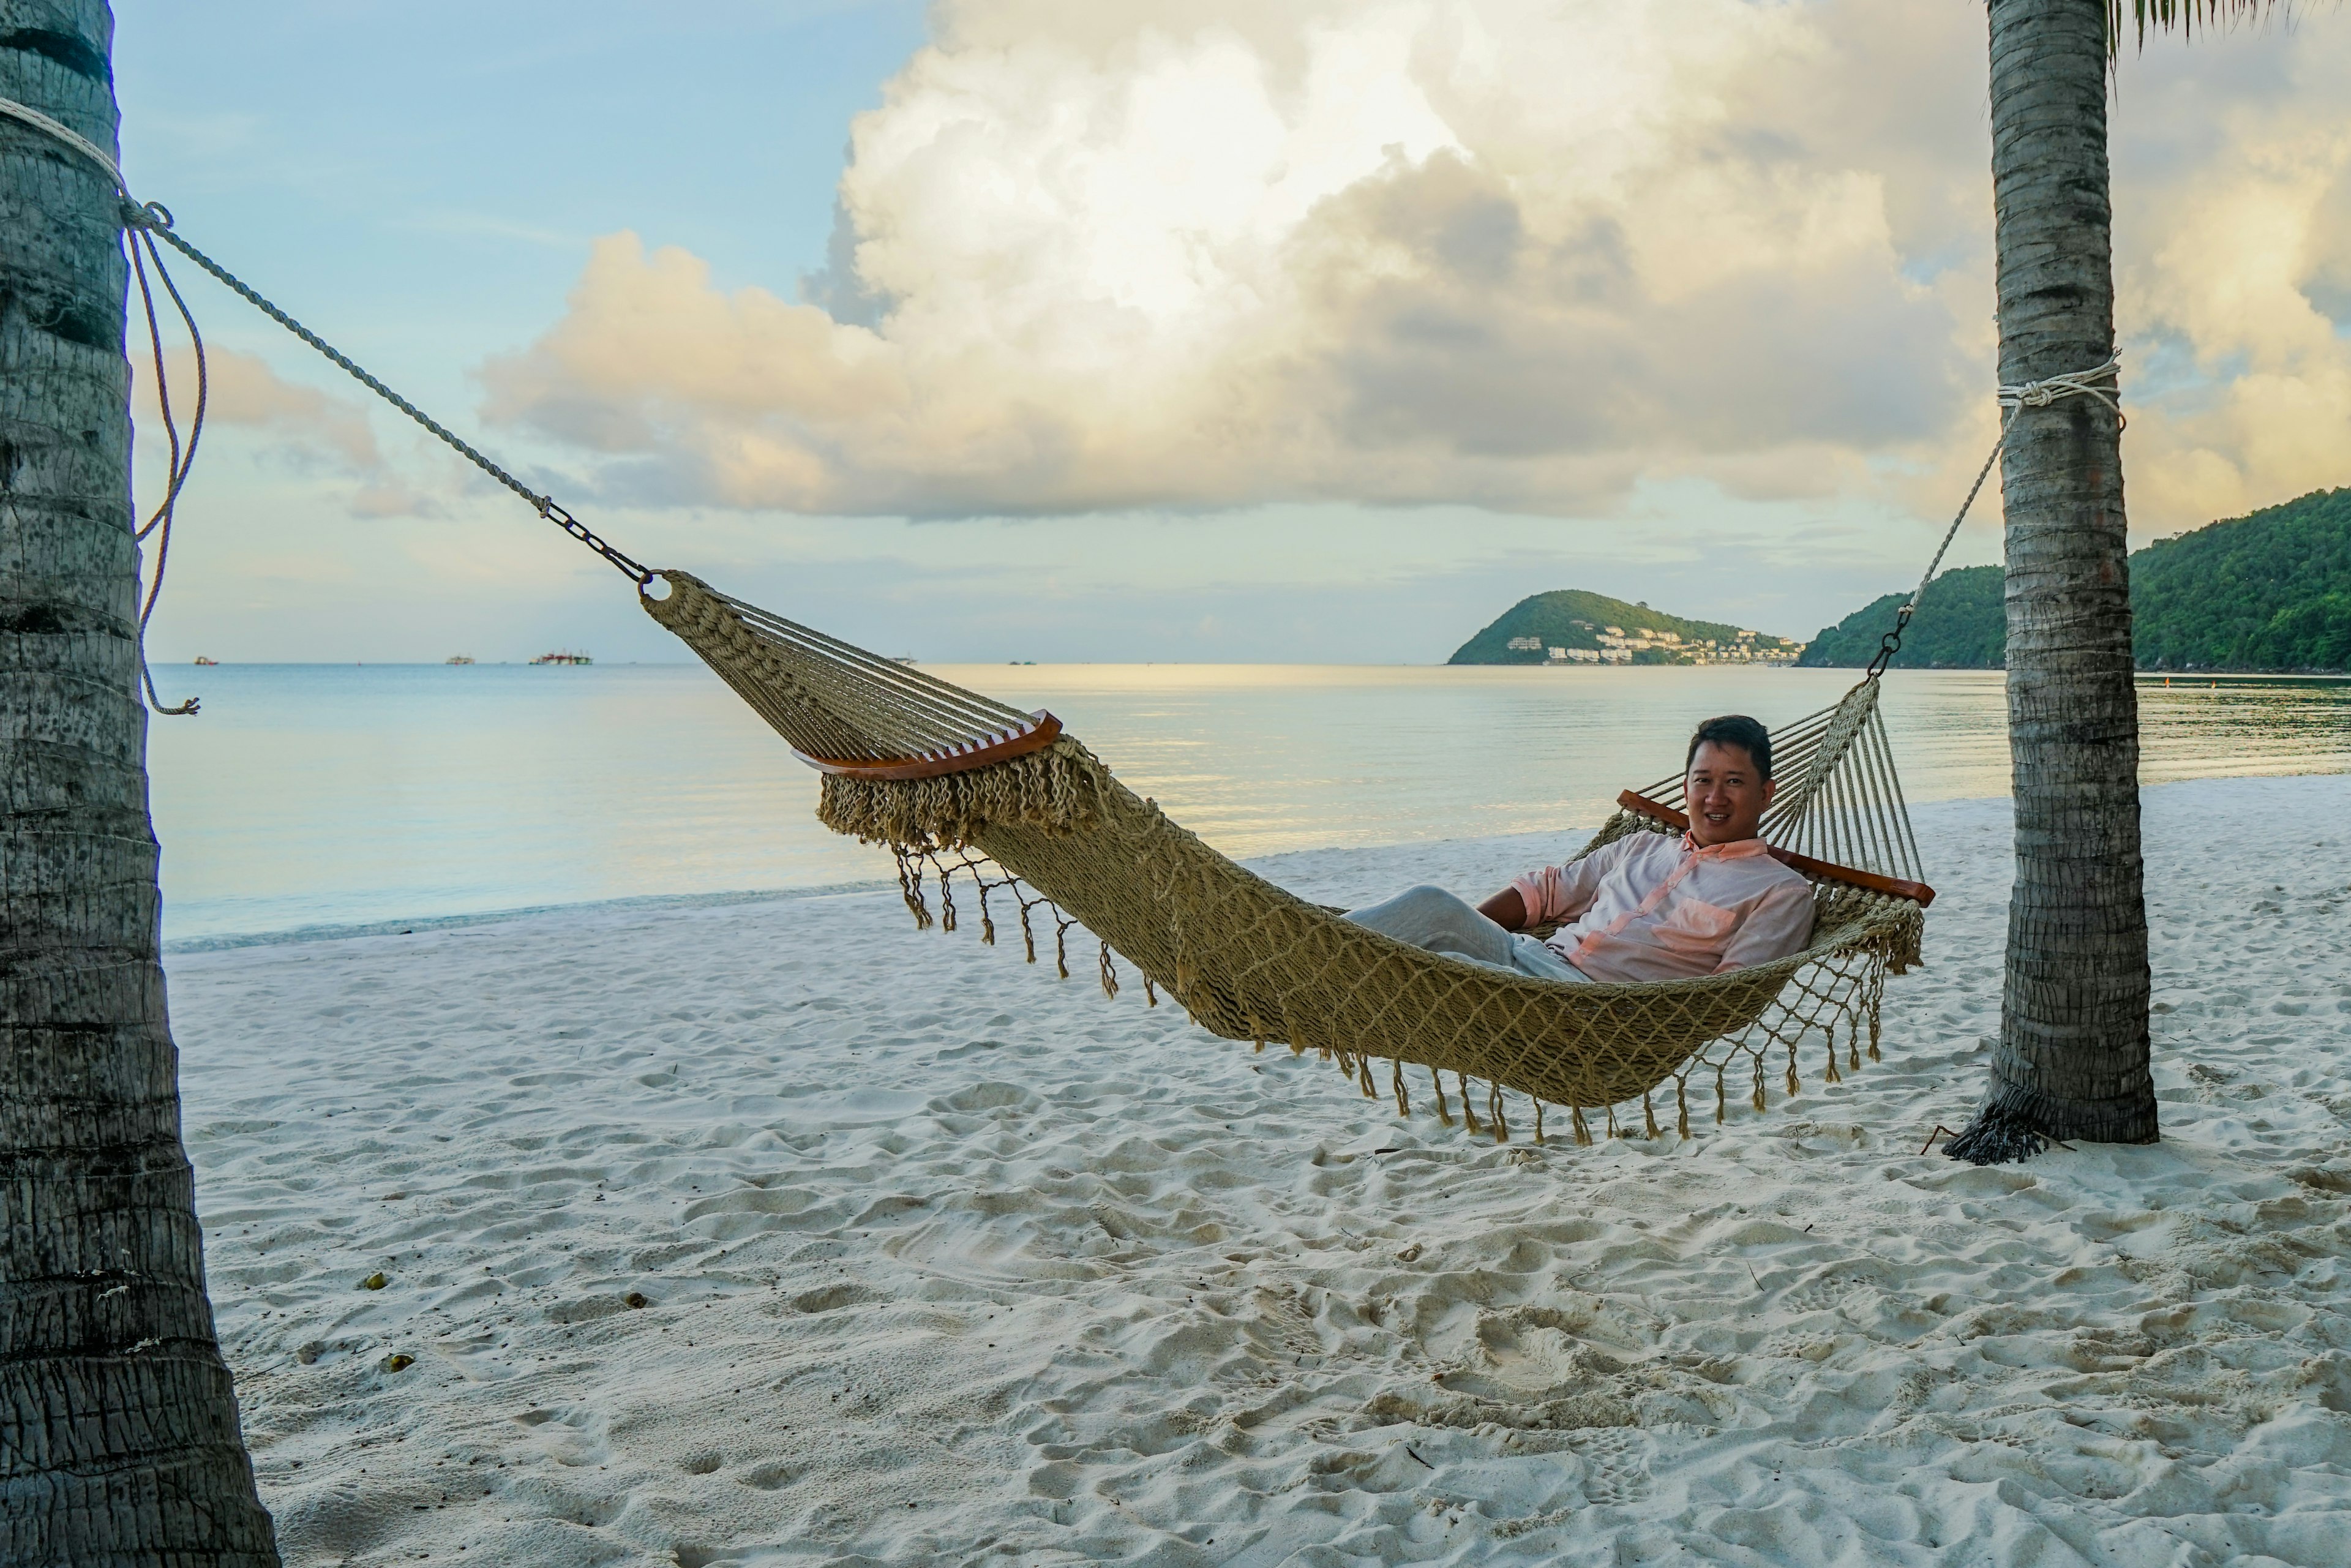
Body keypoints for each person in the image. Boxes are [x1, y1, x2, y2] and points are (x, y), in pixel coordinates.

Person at [1344, 715, 1814, 983]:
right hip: (1530, 958)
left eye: (1734, 782)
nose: (1715, 798)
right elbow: (1546, 892)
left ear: (1766, 793)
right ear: (1686, 788)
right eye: (1703, 780)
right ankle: (1315, 952)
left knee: (1444, 974)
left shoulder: (1780, 891)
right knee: (1431, 905)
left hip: (1590, 1008)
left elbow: (1730, 992)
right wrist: (1470, 929)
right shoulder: (1640, 845)